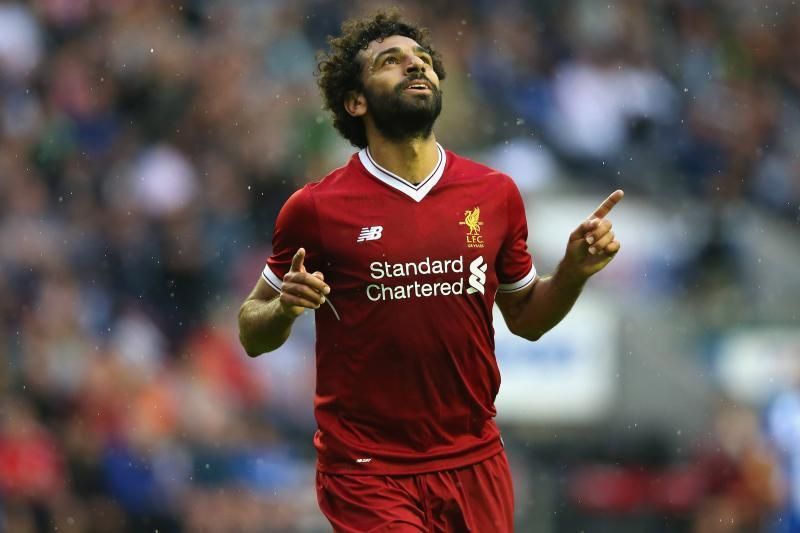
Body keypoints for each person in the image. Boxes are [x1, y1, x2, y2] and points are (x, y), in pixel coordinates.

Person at [238, 10, 623, 532]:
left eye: (422, 61)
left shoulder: (494, 194)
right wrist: (284, 308)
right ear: (356, 101)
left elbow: (527, 319)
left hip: (474, 459)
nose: (415, 67)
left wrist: (575, 272)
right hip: (368, 468)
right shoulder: (316, 209)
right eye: (391, 62)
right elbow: (251, 331)